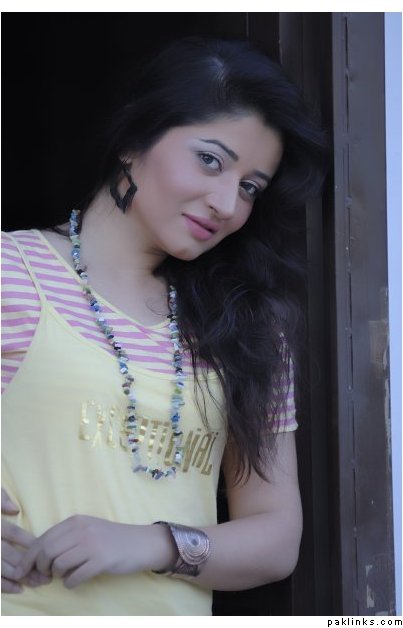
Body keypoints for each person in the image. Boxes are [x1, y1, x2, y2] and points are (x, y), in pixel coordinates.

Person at [1, 36, 327, 615]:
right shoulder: (13, 271)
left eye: (250, 187)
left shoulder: (246, 328)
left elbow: (276, 538)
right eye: (211, 160)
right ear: (134, 141)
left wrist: (151, 543)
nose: (227, 203)